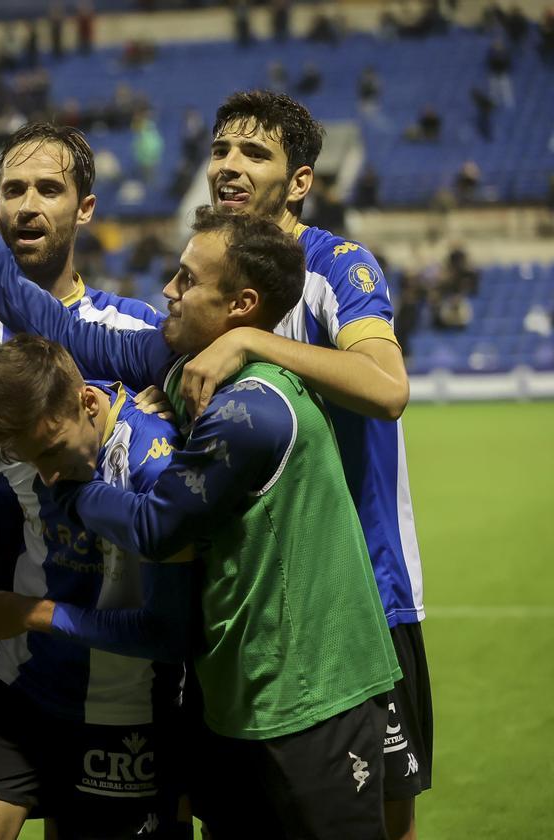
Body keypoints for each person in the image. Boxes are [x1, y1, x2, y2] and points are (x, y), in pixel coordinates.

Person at [0, 142, 401, 835]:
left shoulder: (254, 410)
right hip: (237, 693)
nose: (166, 293)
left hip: (313, 696)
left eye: (185, 280)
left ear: (239, 304)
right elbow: (57, 325)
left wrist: (70, 483)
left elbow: (157, 526)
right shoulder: (174, 356)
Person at [193, 90, 431, 840]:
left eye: (254, 153)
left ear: (300, 181)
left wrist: (252, 342)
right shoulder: (205, 279)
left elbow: (387, 388)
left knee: (380, 822)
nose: (230, 166)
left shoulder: (335, 267)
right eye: (221, 150)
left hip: (363, 599)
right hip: (247, 605)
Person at [0, 335, 190, 840]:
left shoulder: (157, 464)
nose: (49, 476)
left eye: (53, 451)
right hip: (21, 691)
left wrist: (29, 615)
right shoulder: (11, 437)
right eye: (32, 462)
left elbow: (168, 634)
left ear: (89, 402)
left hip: (127, 716)